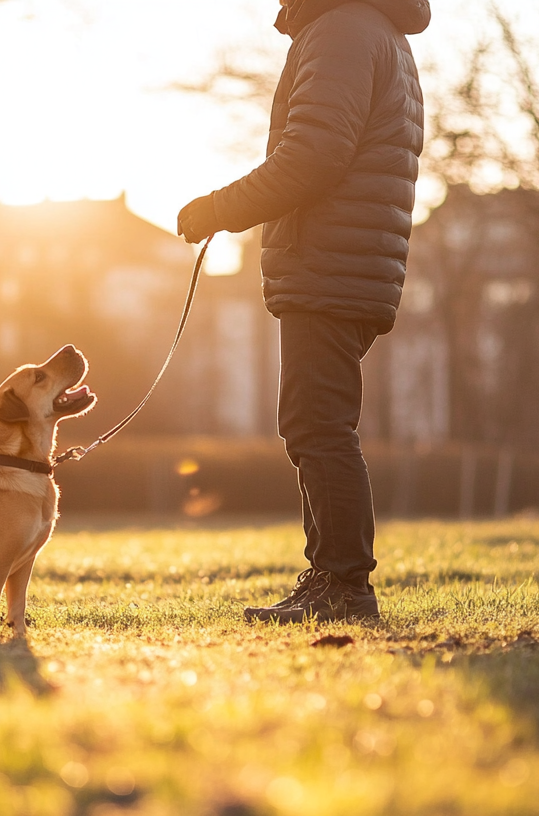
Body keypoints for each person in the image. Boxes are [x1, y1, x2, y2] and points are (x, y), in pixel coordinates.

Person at [177, 0, 430, 623]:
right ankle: (329, 580)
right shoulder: (372, 29)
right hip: (346, 262)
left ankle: (344, 588)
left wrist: (219, 208)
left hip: (331, 263)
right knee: (316, 425)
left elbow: (314, 155)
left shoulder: (344, 29)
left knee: (319, 428)